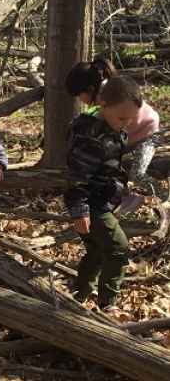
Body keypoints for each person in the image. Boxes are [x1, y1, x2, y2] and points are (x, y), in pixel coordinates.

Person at [64, 76, 143, 313]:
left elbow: (112, 163)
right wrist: (79, 209)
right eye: (122, 118)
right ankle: (108, 304)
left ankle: (77, 297)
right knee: (119, 249)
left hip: (102, 199)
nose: (126, 124)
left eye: (130, 119)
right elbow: (77, 176)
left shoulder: (112, 128)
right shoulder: (91, 137)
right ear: (103, 104)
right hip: (90, 203)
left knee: (97, 250)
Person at [66, 58, 159, 193]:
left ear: (90, 89)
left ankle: (160, 193)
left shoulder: (108, 96)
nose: (80, 100)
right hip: (131, 132)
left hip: (147, 132)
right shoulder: (105, 91)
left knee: (136, 175)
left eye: (79, 95)